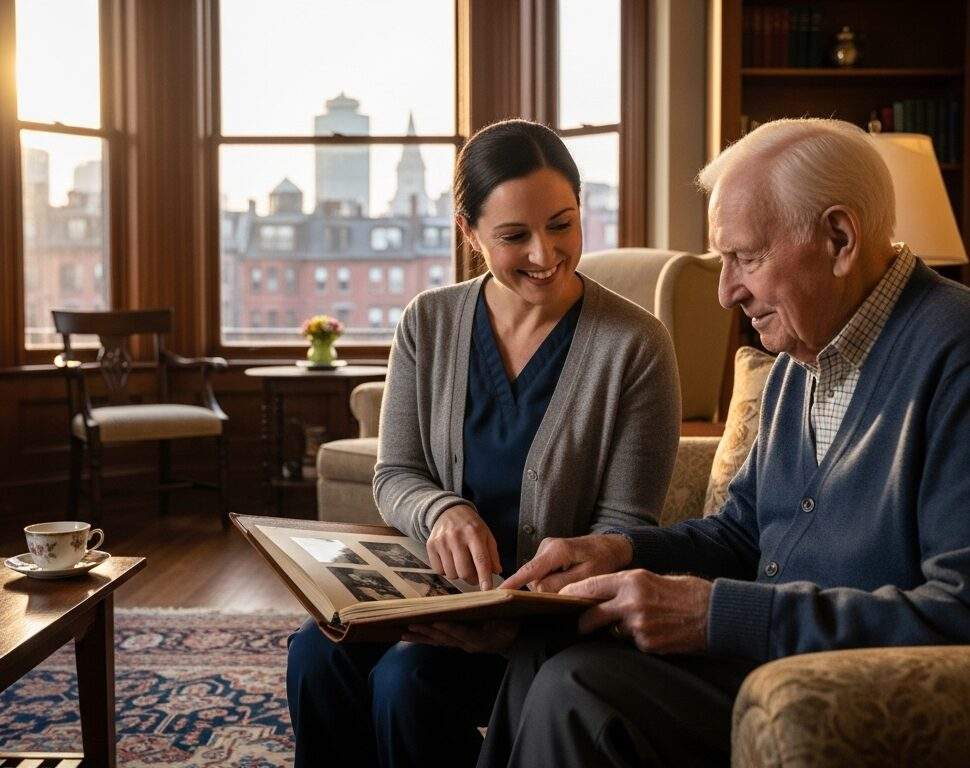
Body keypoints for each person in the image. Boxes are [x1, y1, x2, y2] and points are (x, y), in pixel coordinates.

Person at [477, 117, 970, 768]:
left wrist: (721, 615)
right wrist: (619, 551)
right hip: (760, 663)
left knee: (579, 690)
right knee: (544, 643)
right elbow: (742, 535)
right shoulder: (803, 358)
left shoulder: (954, 356)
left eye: (747, 257)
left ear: (840, 238)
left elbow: (958, 611)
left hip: (831, 692)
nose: (726, 291)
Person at [286, 119, 682, 768]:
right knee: (315, 652)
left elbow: (624, 527)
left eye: (562, 224)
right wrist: (441, 510)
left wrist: (514, 622)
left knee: (406, 682)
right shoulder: (427, 321)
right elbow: (397, 474)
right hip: (431, 592)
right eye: (513, 236)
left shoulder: (636, 346)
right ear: (469, 233)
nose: (544, 254)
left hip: (545, 624)